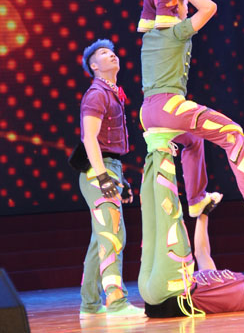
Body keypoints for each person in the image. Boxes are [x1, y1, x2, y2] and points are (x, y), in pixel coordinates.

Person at [140, 0, 244, 217]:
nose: (187, 7)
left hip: (147, 113)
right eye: (185, 3)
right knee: (232, 132)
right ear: (175, 4)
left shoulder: (149, 34)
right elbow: (209, 7)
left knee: (193, 140)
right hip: (170, 107)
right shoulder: (177, 31)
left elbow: (152, 5)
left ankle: (196, 200)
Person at [138, 135, 244, 317]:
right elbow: (202, 253)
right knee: (151, 221)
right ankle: (154, 147)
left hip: (173, 294)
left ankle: (161, 145)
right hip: (155, 294)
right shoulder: (230, 284)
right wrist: (204, 214)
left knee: (171, 221)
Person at [77, 39, 145, 319]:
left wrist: (119, 178)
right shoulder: (97, 94)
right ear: (94, 66)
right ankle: (116, 303)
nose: (112, 55)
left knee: (101, 239)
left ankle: (90, 305)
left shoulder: (113, 93)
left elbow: (109, 149)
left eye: (113, 52)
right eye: (104, 53)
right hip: (98, 170)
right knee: (112, 235)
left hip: (108, 167)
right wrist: (104, 177)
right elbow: (89, 138)